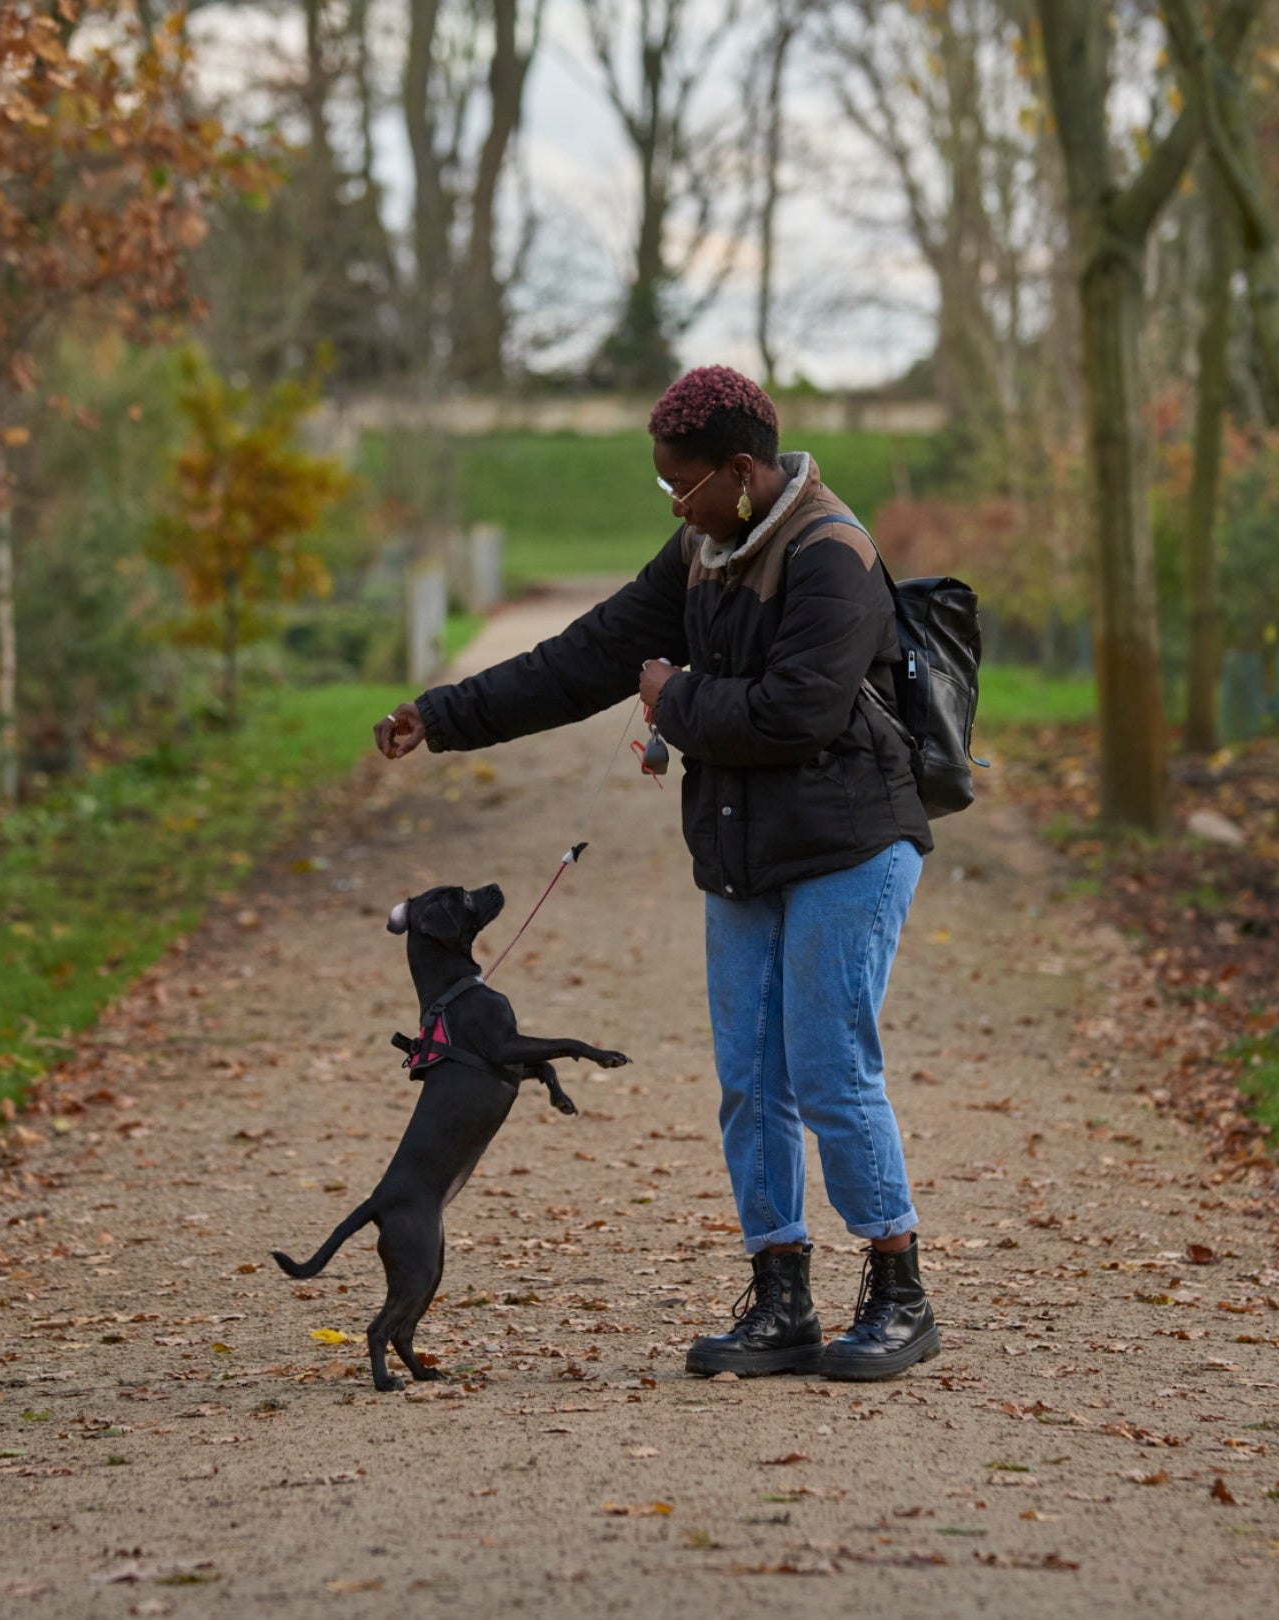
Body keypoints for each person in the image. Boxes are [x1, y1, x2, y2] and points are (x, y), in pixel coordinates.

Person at [370, 365, 938, 1382]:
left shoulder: (832, 556)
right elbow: (589, 657)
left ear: (740, 471)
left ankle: (898, 1290)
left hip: (852, 845)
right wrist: (445, 714)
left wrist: (675, 701)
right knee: (748, 1082)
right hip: (744, 849)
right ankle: (781, 1299)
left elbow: (795, 713)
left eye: (682, 487)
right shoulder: (704, 550)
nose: (674, 506)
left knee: (826, 1068)